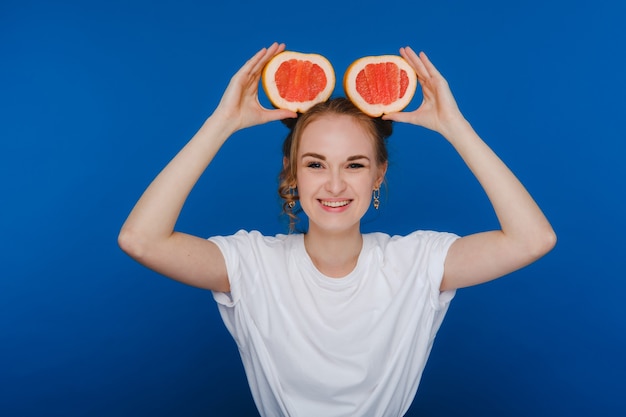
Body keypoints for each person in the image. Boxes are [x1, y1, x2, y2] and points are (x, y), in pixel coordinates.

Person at [118, 42, 556, 416]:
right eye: (315, 164)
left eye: (355, 164)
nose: (333, 184)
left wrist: (454, 127)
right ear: (292, 173)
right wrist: (222, 122)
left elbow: (533, 239)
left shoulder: (417, 262)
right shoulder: (250, 263)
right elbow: (140, 240)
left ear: (378, 175)